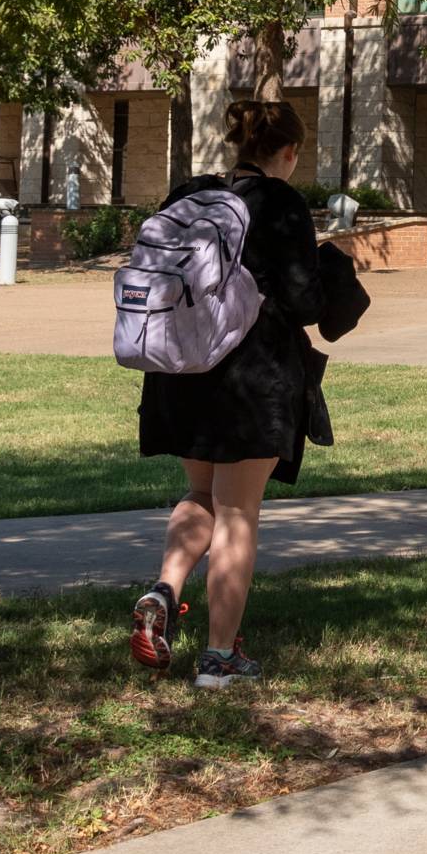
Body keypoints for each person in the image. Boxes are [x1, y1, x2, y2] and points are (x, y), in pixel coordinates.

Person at [130, 98, 328, 690]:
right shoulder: (282, 203)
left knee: (200, 492)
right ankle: (219, 658)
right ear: (289, 152)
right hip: (250, 376)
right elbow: (305, 303)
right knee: (239, 512)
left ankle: (164, 588)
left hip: (180, 367)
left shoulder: (190, 194)